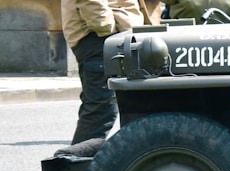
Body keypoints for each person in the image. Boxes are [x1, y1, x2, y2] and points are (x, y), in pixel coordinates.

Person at [60, 0, 162, 144]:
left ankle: (130, 162)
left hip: (113, 34)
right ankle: (75, 163)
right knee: (102, 107)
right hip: (100, 36)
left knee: (130, 103)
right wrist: (107, 29)